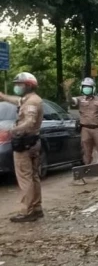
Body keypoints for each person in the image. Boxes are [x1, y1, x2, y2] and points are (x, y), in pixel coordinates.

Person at [0, 72, 44, 222]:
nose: (17, 87)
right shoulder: (30, 99)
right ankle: (37, 207)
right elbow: (18, 100)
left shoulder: (31, 103)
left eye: (20, 84)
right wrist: (4, 97)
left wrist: (13, 129)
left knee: (25, 178)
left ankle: (27, 211)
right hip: (33, 142)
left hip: (24, 143)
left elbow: (29, 121)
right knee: (33, 176)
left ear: (28, 85)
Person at [75, 77, 98, 165]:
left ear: (93, 89)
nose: (87, 89)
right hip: (85, 129)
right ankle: (87, 169)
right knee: (86, 151)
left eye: (89, 87)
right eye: (85, 87)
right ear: (81, 88)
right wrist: (67, 91)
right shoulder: (79, 100)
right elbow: (71, 101)